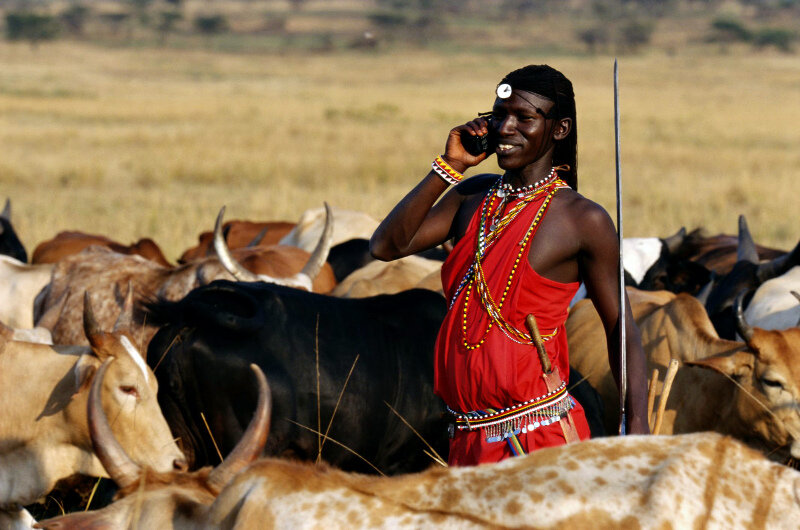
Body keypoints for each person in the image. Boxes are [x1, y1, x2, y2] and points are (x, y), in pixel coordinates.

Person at [370, 64, 649, 466]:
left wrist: (636, 427)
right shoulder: (472, 198)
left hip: (539, 439)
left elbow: (621, 328)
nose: (505, 127)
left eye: (525, 117)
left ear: (560, 129)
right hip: (465, 437)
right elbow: (385, 245)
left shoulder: (580, 219)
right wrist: (450, 166)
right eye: (499, 114)